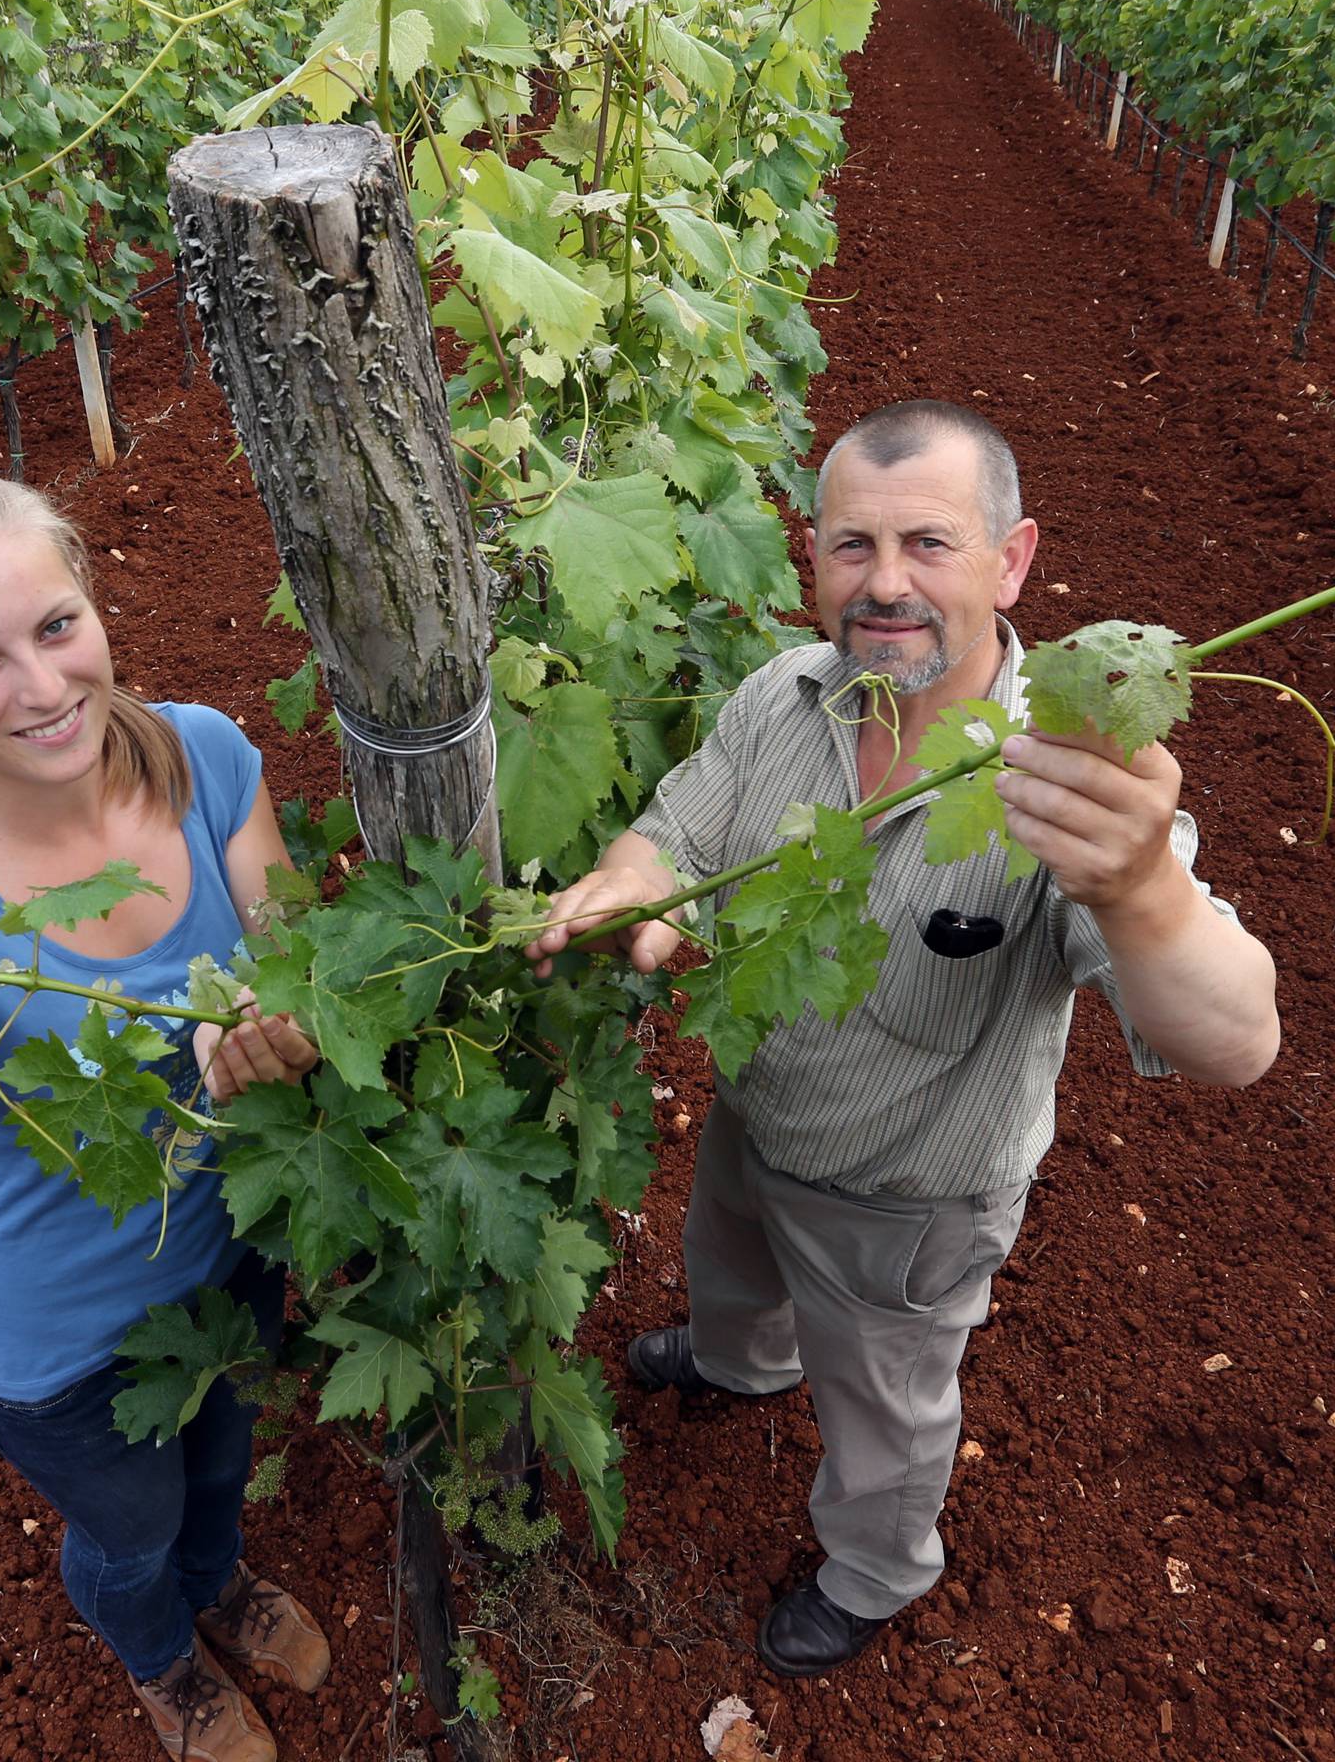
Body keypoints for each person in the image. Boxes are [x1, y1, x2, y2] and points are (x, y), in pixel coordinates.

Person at [528, 400, 1280, 1677]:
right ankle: (739, 1361)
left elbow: (1236, 1036)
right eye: (850, 547)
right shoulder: (786, 696)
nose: (884, 584)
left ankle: (877, 1566)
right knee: (732, 1256)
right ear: (814, 555)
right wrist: (625, 884)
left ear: (1014, 559)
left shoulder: (1065, 769)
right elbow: (679, 827)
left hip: (909, 1202)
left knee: (884, 1405)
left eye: (928, 544)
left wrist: (1142, 887)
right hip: (759, 1116)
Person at [0, 468, 326, 1762]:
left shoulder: (206, 758)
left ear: (94, 604)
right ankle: (163, 1664)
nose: (41, 690)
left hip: (231, 1243)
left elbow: (311, 971)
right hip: (59, 1340)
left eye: (55, 628)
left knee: (222, 1465)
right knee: (129, 1527)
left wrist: (279, 1026)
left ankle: (219, 1585)